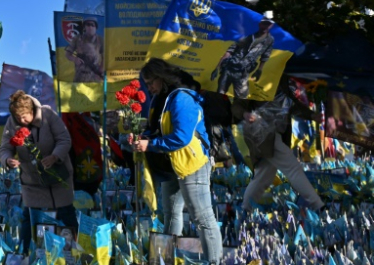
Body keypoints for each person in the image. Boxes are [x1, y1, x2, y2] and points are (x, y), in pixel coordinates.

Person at [126, 58, 222, 264]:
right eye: (146, 82)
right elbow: (159, 130)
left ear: (161, 78)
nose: (148, 86)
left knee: (203, 218)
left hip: (192, 164)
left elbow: (181, 137)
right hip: (172, 165)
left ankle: (215, 261)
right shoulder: (159, 99)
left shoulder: (180, 99)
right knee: (170, 213)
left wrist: (149, 145)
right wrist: (144, 137)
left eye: (150, 81)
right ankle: (166, 259)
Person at [0, 90, 77, 254]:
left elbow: (64, 139)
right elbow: (5, 148)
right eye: (18, 118)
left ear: (32, 110)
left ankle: (71, 253)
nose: (21, 121)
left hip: (57, 179)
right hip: (31, 181)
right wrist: (7, 160)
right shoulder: (11, 123)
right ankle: (26, 254)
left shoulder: (48, 115)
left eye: (24, 117)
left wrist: (55, 156)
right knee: (30, 219)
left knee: (65, 214)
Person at [232, 75, 324, 212]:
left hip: (274, 134)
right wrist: (245, 114)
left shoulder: (280, 76)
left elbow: (290, 103)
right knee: (293, 169)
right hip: (262, 133)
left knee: (264, 176)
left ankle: (245, 210)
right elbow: (237, 106)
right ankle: (319, 206)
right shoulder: (250, 75)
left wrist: (311, 115)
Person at [211, 16, 275, 99]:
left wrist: (259, 70)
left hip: (242, 73)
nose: (266, 26)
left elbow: (265, 55)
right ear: (260, 24)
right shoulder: (247, 35)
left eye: (268, 24)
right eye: (264, 23)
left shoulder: (269, 40)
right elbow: (230, 51)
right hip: (229, 69)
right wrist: (217, 67)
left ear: (271, 25)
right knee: (219, 95)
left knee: (242, 99)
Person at [65, 17, 103, 82]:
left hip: (95, 76)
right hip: (80, 76)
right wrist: (75, 59)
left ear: (95, 28)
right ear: (84, 27)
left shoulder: (100, 40)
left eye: (92, 25)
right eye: (88, 25)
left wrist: (100, 69)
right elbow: (68, 54)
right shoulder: (77, 38)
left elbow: (105, 57)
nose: (90, 27)